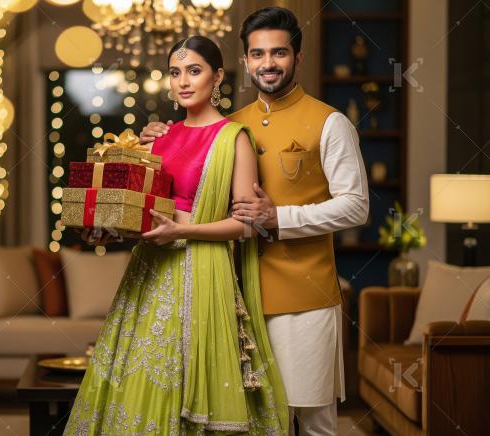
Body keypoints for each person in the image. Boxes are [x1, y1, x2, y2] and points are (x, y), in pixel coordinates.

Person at [141, 8, 369, 436]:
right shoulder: (230, 127)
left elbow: (356, 207)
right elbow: (196, 189)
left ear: (297, 58)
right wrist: (164, 137)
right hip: (233, 295)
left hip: (304, 297)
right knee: (257, 421)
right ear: (245, 62)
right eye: (258, 54)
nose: (268, 63)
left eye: (278, 53)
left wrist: (278, 217)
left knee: (312, 419)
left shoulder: (330, 122)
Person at [64, 35, 289, 435]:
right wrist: (104, 226)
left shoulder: (233, 139)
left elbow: (247, 224)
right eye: (175, 72)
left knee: (190, 376)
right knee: (140, 378)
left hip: (202, 268)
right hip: (150, 269)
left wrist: (182, 230)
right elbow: (142, 211)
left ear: (218, 76)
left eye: (195, 71)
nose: (183, 81)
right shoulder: (158, 139)